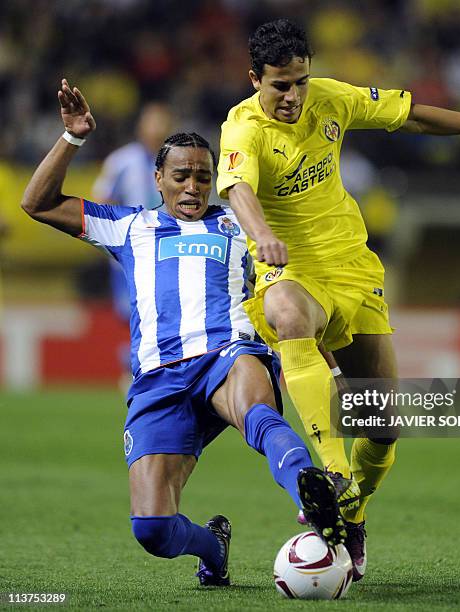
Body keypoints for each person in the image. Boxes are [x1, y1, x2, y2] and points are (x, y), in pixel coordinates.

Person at [216, 19, 460, 581]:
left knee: (383, 422)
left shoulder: (332, 100)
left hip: (352, 268)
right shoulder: (242, 128)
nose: (293, 95)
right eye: (280, 85)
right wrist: (261, 235)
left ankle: (353, 515)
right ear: (255, 79)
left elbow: (412, 114)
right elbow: (239, 189)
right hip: (288, 266)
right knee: (285, 313)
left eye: (300, 81)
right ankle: (329, 473)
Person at [21, 79, 347, 588]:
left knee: (256, 410)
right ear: (158, 179)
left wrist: (331, 365)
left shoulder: (241, 229)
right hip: (159, 380)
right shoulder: (128, 226)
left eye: (202, 176)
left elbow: (288, 307)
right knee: (152, 528)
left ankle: (311, 489)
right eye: (181, 177)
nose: (193, 187)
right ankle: (211, 547)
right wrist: (74, 138)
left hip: (227, 353)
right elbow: (36, 203)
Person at [93, 103, 173, 383]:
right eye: (153, 121)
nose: (158, 128)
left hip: (166, 251)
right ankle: (137, 363)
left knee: (161, 312)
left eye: (163, 122)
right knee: (132, 313)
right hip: (131, 252)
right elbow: (102, 202)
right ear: (141, 126)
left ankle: (138, 365)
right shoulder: (121, 161)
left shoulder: (177, 160)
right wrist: (114, 243)